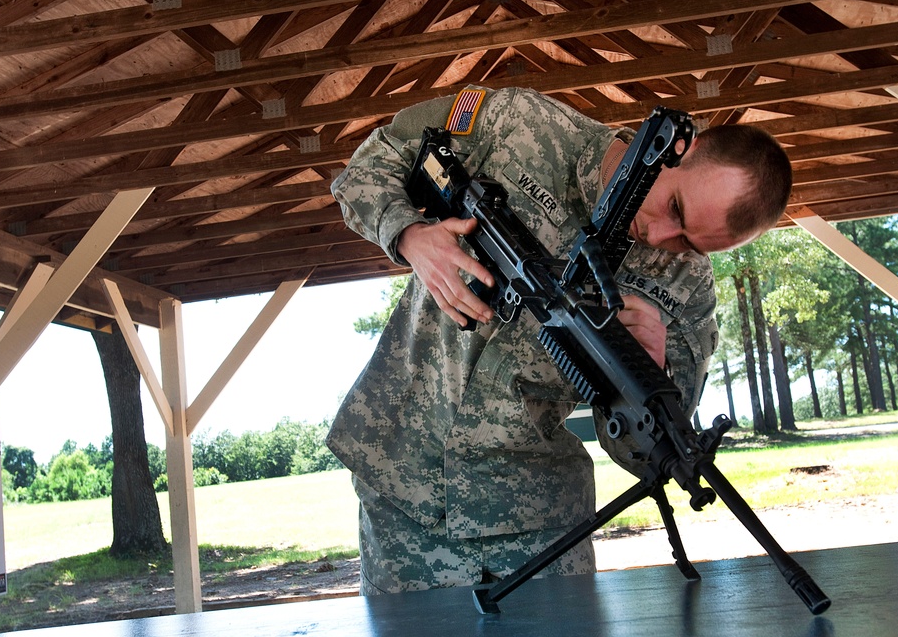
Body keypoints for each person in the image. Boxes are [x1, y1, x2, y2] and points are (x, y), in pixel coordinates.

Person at [326, 86, 792, 595]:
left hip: (537, 517)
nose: (660, 236)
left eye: (688, 242)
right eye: (676, 208)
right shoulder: (517, 121)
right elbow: (369, 165)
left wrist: (647, 368)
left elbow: (644, 454)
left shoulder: (687, 289)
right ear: (682, 148)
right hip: (404, 482)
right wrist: (409, 235)